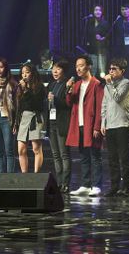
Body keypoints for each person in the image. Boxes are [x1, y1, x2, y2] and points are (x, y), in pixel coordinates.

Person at [67, 55, 104, 197]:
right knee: (83, 155)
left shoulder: (96, 84)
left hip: (91, 125)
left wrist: (97, 126)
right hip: (79, 124)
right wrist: (69, 90)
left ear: (89, 66)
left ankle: (97, 185)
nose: (78, 68)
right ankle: (85, 184)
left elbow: (100, 106)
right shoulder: (76, 85)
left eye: (81, 65)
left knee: (95, 155)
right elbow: (70, 103)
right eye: (76, 66)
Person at [101, 58, 129, 197]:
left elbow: (118, 97)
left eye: (114, 69)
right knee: (112, 158)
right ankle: (114, 186)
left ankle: (126, 187)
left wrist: (109, 83)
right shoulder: (107, 86)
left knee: (124, 158)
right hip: (110, 125)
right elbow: (105, 105)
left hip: (122, 124)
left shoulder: (126, 83)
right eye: (110, 69)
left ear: (122, 71)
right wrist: (103, 123)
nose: (111, 72)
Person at [14, 63, 46, 173]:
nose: (24, 75)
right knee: (21, 150)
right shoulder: (20, 88)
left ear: (32, 73)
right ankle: (25, 175)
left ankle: (36, 175)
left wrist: (26, 90)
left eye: (27, 72)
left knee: (36, 148)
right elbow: (18, 107)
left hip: (35, 117)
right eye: (22, 73)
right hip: (24, 118)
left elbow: (37, 103)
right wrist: (15, 123)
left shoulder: (39, 87)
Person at [47, 60, 72, 193]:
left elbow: (67, 104)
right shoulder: (51, 85)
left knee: (64, 154)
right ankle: (59, 182)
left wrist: (55, 99)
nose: (55, 72)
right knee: (55, 155)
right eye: (53, 69)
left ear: (63, 71)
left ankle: (66, 183)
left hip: (62, 123)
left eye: (58, 69)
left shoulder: (67, 84)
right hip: (51, 123)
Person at [85, 5, 109, 78]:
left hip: (102, 51)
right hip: (92, 51)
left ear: (102, 12)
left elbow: (109, 36)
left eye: (99, 10)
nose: (97, 12)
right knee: (93, 71)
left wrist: (103, 38)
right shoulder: (90, 23)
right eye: (96, 10)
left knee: (102, 72)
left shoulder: (105, 23)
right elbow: (86, 35)